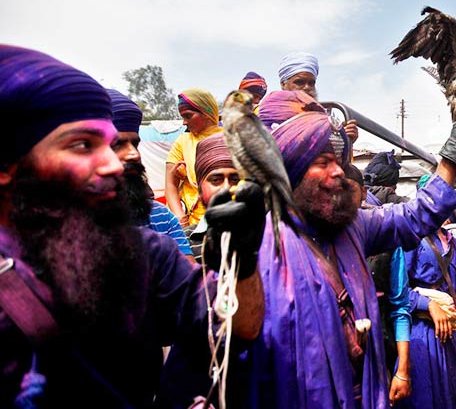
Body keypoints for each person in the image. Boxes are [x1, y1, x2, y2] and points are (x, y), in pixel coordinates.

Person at [0, 45, 264, 408]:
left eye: (118, 144)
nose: (118, 162)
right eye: (82, 145)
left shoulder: (146, 252)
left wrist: (243, 261)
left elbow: (238, 326)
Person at [225, 90, 456, 408]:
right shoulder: (258, 243)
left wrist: (451, 158)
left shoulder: (354, 226)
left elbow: (414, 216)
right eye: (322, 163)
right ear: (292, 172)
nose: (338, 171)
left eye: (337, 161)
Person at [396, 185, 456, 409]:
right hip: (422, 334)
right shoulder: (412, 239)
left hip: (450, 338)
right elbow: (398, 292)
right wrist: (428, 304)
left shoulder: (453, 243)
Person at [346, 163, 412, 406]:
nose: (342, 199)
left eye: (349, 191)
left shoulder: (386, 239)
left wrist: (402, 369)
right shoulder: (319, 239)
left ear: (364, 192)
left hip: (380, 355)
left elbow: (400, 308)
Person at [106, 89, 194, 260]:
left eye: (135, 144)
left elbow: (190, 273)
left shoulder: (162, 217)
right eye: (117, 144)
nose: (134, 154)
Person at [165, 87, 221, 227]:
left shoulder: (230, 139)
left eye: (188, 116)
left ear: (206, 113)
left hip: (224, 218)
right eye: (182, 117)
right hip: (191, 221)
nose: (184, 122)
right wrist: (179, 216)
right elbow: (170, 184)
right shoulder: (183, 142)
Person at [278, 51, 359, 145]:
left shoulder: (325, 117)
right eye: (299, 82)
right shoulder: (272, 113)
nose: (307, 87)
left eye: (311, 83)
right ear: (283, 85)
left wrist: (345, 139)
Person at [185, 132, 240, 261]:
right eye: (216, 180)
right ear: (200, 190)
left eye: (235, 180)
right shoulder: (183, 242)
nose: (226, 188)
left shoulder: (267, 237)